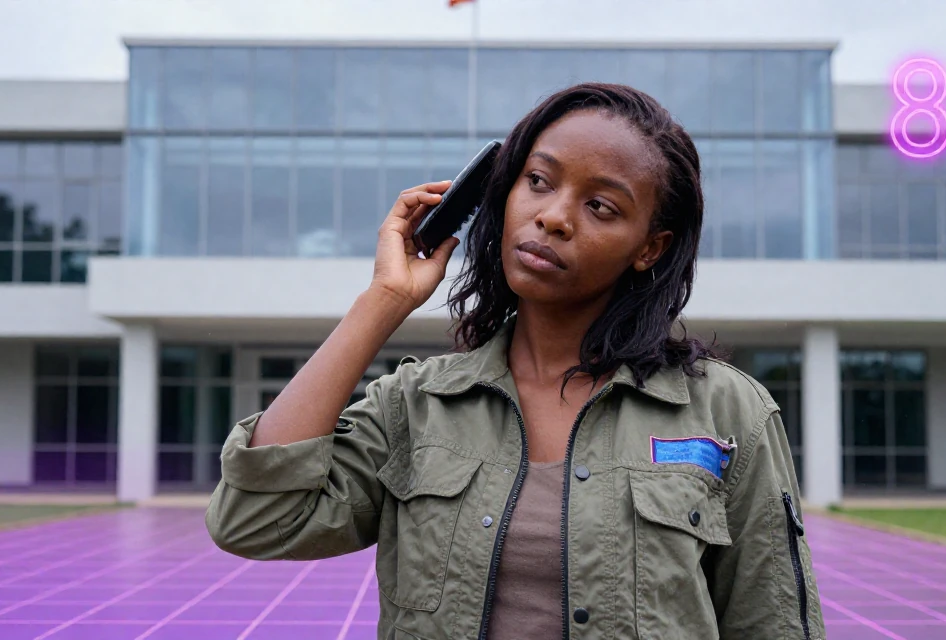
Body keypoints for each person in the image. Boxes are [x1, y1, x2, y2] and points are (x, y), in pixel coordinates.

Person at [207, 82, 826, 640]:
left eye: (601, 206)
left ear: (650, 248)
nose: (552, 216)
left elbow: (774, 623)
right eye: (538, 181)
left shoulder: (726, 412)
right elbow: (255, 517)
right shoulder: (416, 407)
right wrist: (384, 301)